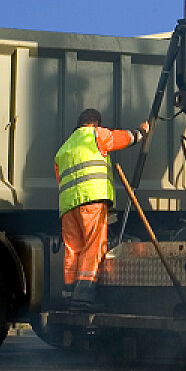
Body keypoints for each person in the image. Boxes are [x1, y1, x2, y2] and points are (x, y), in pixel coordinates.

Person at [54, 108, 149, 309]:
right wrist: (141, 132)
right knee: (93, 246)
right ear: (96, 123)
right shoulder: (96, 135)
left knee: (72, 249)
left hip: (68, 206)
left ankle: (69, 293)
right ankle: (84, 295)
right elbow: (122, 138)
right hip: (92, 200)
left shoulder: (63, 149)